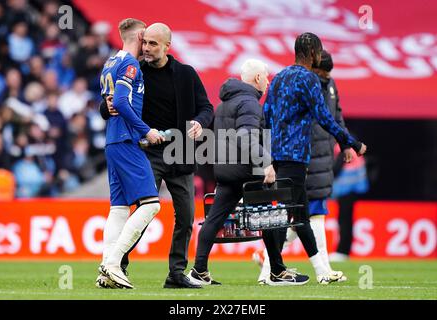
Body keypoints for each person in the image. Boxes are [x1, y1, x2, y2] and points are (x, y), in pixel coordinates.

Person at [101, 23, 214, 289]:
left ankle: (176, 274)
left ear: (167, 46)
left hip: (181, 153)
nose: (147, 48)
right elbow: (114, 104)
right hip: (147, 152)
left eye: (153, 44)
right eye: (146, 42)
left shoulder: (186, 74)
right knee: (145, 210)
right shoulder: (134, 70)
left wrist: (200, 122)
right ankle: (118, 266)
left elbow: (206, 107)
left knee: (186, 217)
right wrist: (104, 106)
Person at [186, 59, 310, 286]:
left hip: (225, 170)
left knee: (213, 221)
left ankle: (199, 271)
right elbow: (245, 136)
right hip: (247, 171)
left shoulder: (224, 104)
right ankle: (277, 273)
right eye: (266, 76)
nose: (268, 81)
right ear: (258, 79)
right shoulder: (250, 103)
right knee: (270, 219)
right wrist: (265, 163)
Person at [263, 33, 367, 284]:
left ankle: (278, 270)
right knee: (298, 216)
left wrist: (268, 154)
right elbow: (324, 117)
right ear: (314, 54)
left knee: (292, 216)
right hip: (296, 157)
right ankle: (299, 271)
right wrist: (351, 142)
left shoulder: (278, 77)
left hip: (277, 156)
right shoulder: (309, 79)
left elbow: (265, 115)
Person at [96, 18, 164, 289]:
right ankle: (112, 263)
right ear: (138, 36)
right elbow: (122, 101)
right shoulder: (130, 64)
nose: (146, 44)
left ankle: (105, 271)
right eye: (145, 38)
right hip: (126, 139)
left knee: (119, 209)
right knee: (151, 204)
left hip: (112, 140)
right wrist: (146, 130)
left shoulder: (109, 63)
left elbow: (109, 102)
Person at [329, 144, 369, 262]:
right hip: (354, 187)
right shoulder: (349, 145)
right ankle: (344, 251)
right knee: (346, 219)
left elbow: (336, 169)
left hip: (347, 188)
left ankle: (343, 251)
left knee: (344, 220)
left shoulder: (342, 147)